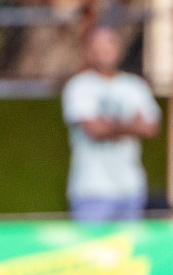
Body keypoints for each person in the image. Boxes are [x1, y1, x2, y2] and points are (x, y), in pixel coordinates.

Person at [61, 26, 160, 222]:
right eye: (98, 48)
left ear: (118, 50)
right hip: (91, 189)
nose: (103, 53)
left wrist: (109, 125)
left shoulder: (134, 86)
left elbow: (151, 128)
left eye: (108, 47)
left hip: (130, 188)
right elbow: (94, 130)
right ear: (89, 51)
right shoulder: (79, 86)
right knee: (91, 251)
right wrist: (131, 125)